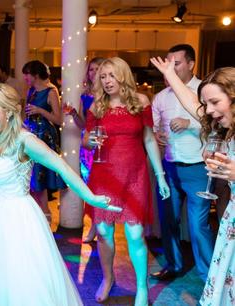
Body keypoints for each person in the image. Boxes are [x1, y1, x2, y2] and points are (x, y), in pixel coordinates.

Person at [0, 47, 122, 306]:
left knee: (19, 283)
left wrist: (91, 197)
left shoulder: (24, 140)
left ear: (9, 113)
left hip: (18, 222)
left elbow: (63, 168)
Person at [82, 57, 170, 305]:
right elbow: (85, 139)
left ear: (123, 75)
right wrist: (90, 141)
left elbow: (150, 140)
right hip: (104, 175)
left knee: (135, 233)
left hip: (134, 174)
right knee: (103, 233)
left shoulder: (140, 102)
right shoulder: (96, 107)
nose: (107, 81)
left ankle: (141, 287)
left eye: (111, 75)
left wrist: (160, 175)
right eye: (103, 77)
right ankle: (108, 278)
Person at [150, 57, 235, 306]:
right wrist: (170, 74)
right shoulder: (226, 129)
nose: (207, 110)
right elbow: (192, 105)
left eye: (215, 102)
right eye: (206, 103)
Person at [150, 44, 214, 282]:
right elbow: (154, 129)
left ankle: (208, 274)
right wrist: (157, 135)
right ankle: (174, 265)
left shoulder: (205, 91)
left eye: (176, 63)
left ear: (191, 64)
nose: (170, 68)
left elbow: (217, 123)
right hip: (169, 167)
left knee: (198, 226)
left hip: (198, 168)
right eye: (167, 63)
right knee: (169, 221)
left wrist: (191, 123)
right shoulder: (160, 97)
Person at [65, 57, 104, 243]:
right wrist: (73, 113)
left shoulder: (111, 94)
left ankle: (99, 225)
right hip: (87, 147)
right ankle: (93, 225)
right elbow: (82, 124)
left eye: (97, 69)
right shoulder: (84, 95)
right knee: (89, 186)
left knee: (101, 186)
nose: (93, 72)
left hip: (105, 145)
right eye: (91, 69)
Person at [22, 60, 65, 222]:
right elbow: (27, 114)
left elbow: (59, 119)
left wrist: (40, 110)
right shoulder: (30, 91)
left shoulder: (51, 92)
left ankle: (46, 215)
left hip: (45, 136)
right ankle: (36, 214)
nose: (25, 77)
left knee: (40, 176)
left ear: (36, 75)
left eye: (27, 74)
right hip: (31, 134)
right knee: (31, 177)